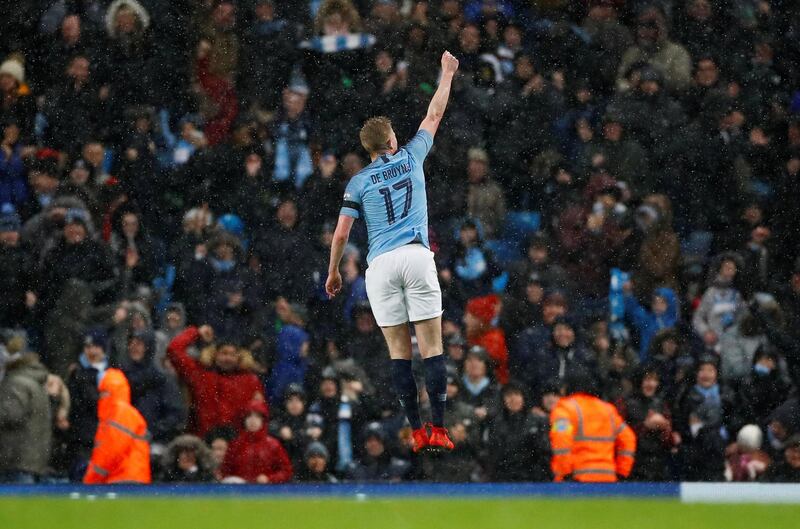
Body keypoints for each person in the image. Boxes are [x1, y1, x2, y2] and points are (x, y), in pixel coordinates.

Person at [325, 51, 460, 453]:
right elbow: (434, 115)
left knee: (399, 354)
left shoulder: (358, 182)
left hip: (379, 265)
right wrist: (447, 74)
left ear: (368, 150)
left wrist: (333, 273)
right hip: (416, 255)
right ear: (391, 141)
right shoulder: (411, 155)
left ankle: (416, 431)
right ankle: (439, 428)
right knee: (432, 348)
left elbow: (340, 234)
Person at [549, 369, 636, 482]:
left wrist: (565, 473)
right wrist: (622, 471)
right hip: (607, 478)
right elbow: (628, 438)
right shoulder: (608, 409)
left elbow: (561, 439)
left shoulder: (564, 408)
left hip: (577, 479)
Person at [83, 368, 151, 484]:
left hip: (125, 478)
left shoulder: (119, 412)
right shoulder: (118, 413)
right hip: (129, 476)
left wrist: (92, 479)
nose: (102, 396)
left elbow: (111, 452)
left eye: (105, 392)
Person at [0, 349, 52, 483]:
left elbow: (10, 415)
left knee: (10, 502)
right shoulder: (35, 383)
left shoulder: (15, 383)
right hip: (34, 457)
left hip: (15, 457)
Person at [220, 400, 293, 484]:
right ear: (244, 420)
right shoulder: (235, 445)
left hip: (267, 493)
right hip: (239, 493)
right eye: (249, 416)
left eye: (257, 416)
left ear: (263, 420)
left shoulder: (273, 445)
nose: (252, 420)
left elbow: (287, 471)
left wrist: (269, 479)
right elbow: (225, 472)